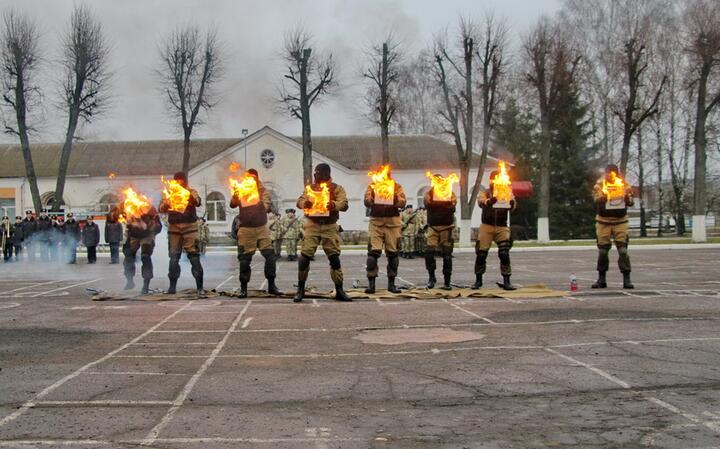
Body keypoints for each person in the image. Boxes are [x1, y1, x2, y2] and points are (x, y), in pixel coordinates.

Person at [293, 163, 351, 302]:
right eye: (315, 173)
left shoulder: (336, 188)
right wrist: (304, 204)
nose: (315, 176)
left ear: (326, 174)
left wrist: (333, 205)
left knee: (334, 258)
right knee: (304, 257)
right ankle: (300, 289)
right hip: (313, 225)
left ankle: (339, 290)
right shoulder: (311, 188)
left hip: (329, 226)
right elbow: (299, 201)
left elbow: (344, 204)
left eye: (317, 173)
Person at [229, 168, 280, 298]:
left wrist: (259, 204)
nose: (251, 179)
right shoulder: (241, 189)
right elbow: (232, 204)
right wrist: (236, 194)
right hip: (246, 229)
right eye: (249, 177)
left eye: (253, 177)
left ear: (257, 178)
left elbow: (266, 206)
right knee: (244, 259)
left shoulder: (263, 191)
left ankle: (271, 285)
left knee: (270, 256)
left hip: (261, 227)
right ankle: (243, 288)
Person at [159, 172, 205, 295]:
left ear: (185, 182)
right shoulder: (169, 193)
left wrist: (187, 195)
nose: (179, 183)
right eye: (177, 181)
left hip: (190, 227)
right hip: (174, 228)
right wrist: (167, 203)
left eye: (181, 181)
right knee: (174, 258)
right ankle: (172, 287)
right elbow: (161, 208)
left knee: (194, 256)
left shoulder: (191, 191)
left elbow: (197, 201)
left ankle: (200, 287)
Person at [363, 169, 407, 294]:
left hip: (392, 223)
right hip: (376, 223)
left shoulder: (396, 187)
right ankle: (371, 284)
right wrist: (373, 198)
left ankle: (391, 284)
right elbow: (366, 201)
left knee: (393, 254)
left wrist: (394, 199)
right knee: (373, 253)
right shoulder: (372, 186)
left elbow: (403, 202)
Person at [592, 164, 634, 289]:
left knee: (622, 250)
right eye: (607, 173)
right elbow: (596, 199)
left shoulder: (624, 185)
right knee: (603, 251)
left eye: (612, 173)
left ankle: (627, 279)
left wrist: (626, 197)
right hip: (603, 221)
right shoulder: (599, 185)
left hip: (620, 221)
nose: (609, 175)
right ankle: (601, 278)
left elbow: (631, 201)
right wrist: (604, 197)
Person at [474, 172, 518, 291]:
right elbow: (481, 201)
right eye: (494, 180)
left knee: (504, 253)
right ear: (491, 181)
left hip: (501, 226)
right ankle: (478, 280)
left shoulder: (506, 191)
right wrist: (489, 201)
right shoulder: (486, 192)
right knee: (481, 254)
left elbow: (513, 205)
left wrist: (512, 204)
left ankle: (507, 280)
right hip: (486, 226)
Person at [423, 177, 457, 290]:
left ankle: (447, 281)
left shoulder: (450, 193)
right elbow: (427, 204)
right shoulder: (429, 194)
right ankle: (431, 277)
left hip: (447, 227)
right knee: (429, 252)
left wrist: (447, 202)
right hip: (433, 227)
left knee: (447, 255)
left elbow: (453, 206)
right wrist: (438, 202)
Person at [123, 204, 162, 294]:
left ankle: (146, 284)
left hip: (147, 235)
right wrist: (130, 225)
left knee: (145, 256)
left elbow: (158, 226)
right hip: (134, 235)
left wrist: (150, 226)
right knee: (128, 256)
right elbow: (124, 221)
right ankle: (129, 280)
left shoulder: (151, 209)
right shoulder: (129, 206)